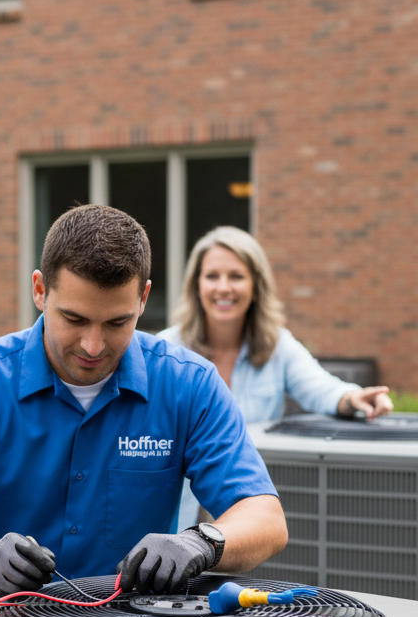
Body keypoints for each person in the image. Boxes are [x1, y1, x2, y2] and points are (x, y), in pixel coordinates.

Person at [0, 205, 288, 598]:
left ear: (143, 299)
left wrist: (201, 542)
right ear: (39, 290)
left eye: (117, 323)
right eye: (74, 319)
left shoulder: (190, 384)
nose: (93, 345)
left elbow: (265, 519)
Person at [157, 226, 393, 529]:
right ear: (196, 285)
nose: (224, 287)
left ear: (256, 286)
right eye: (212, 276)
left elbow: (320, 387)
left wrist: (354, 398)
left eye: (237, 276)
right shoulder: (167, 350)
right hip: (178, 521)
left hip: (247, 517)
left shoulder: (278, 346)